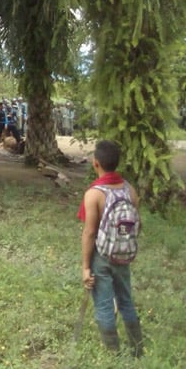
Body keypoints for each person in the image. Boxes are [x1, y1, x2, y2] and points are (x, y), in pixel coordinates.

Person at [78, 140, 143, 357]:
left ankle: (113, 354)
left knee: (104, 305)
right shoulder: (129, 190)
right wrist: (123, 248)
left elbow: (89, 233)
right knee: (126, 301)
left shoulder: (95, 194)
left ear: (95, 163)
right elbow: (136, 224)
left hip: (102, 256)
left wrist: (86, 267)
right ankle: (137, 350)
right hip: (123, 256)